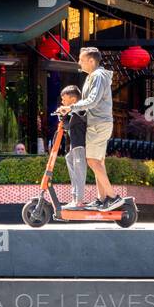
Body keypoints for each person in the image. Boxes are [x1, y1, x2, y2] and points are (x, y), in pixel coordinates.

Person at [56, 47, 118, 210]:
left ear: (91, 61)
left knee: (92, 161)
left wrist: (71, 107)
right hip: (99, 123)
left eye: (82, 60)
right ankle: (102, 198)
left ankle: (112, 197)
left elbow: (92, 101)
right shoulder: (93, 77)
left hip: (98, 124)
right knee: (98, 161)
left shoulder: (98, 76)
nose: (79, 63)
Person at [57, 85, 89, 211]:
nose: (62, 102)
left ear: (73, 100)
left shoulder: (80, 110)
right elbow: (67, 125)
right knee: (69, 159)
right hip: (75, 146)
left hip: (80, 146)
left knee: (80, 172)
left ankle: (79, 201)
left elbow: (68, 125)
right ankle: (75, 199)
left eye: (64, 99)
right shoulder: (74, 112)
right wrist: (63, 115)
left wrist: (64, 114)